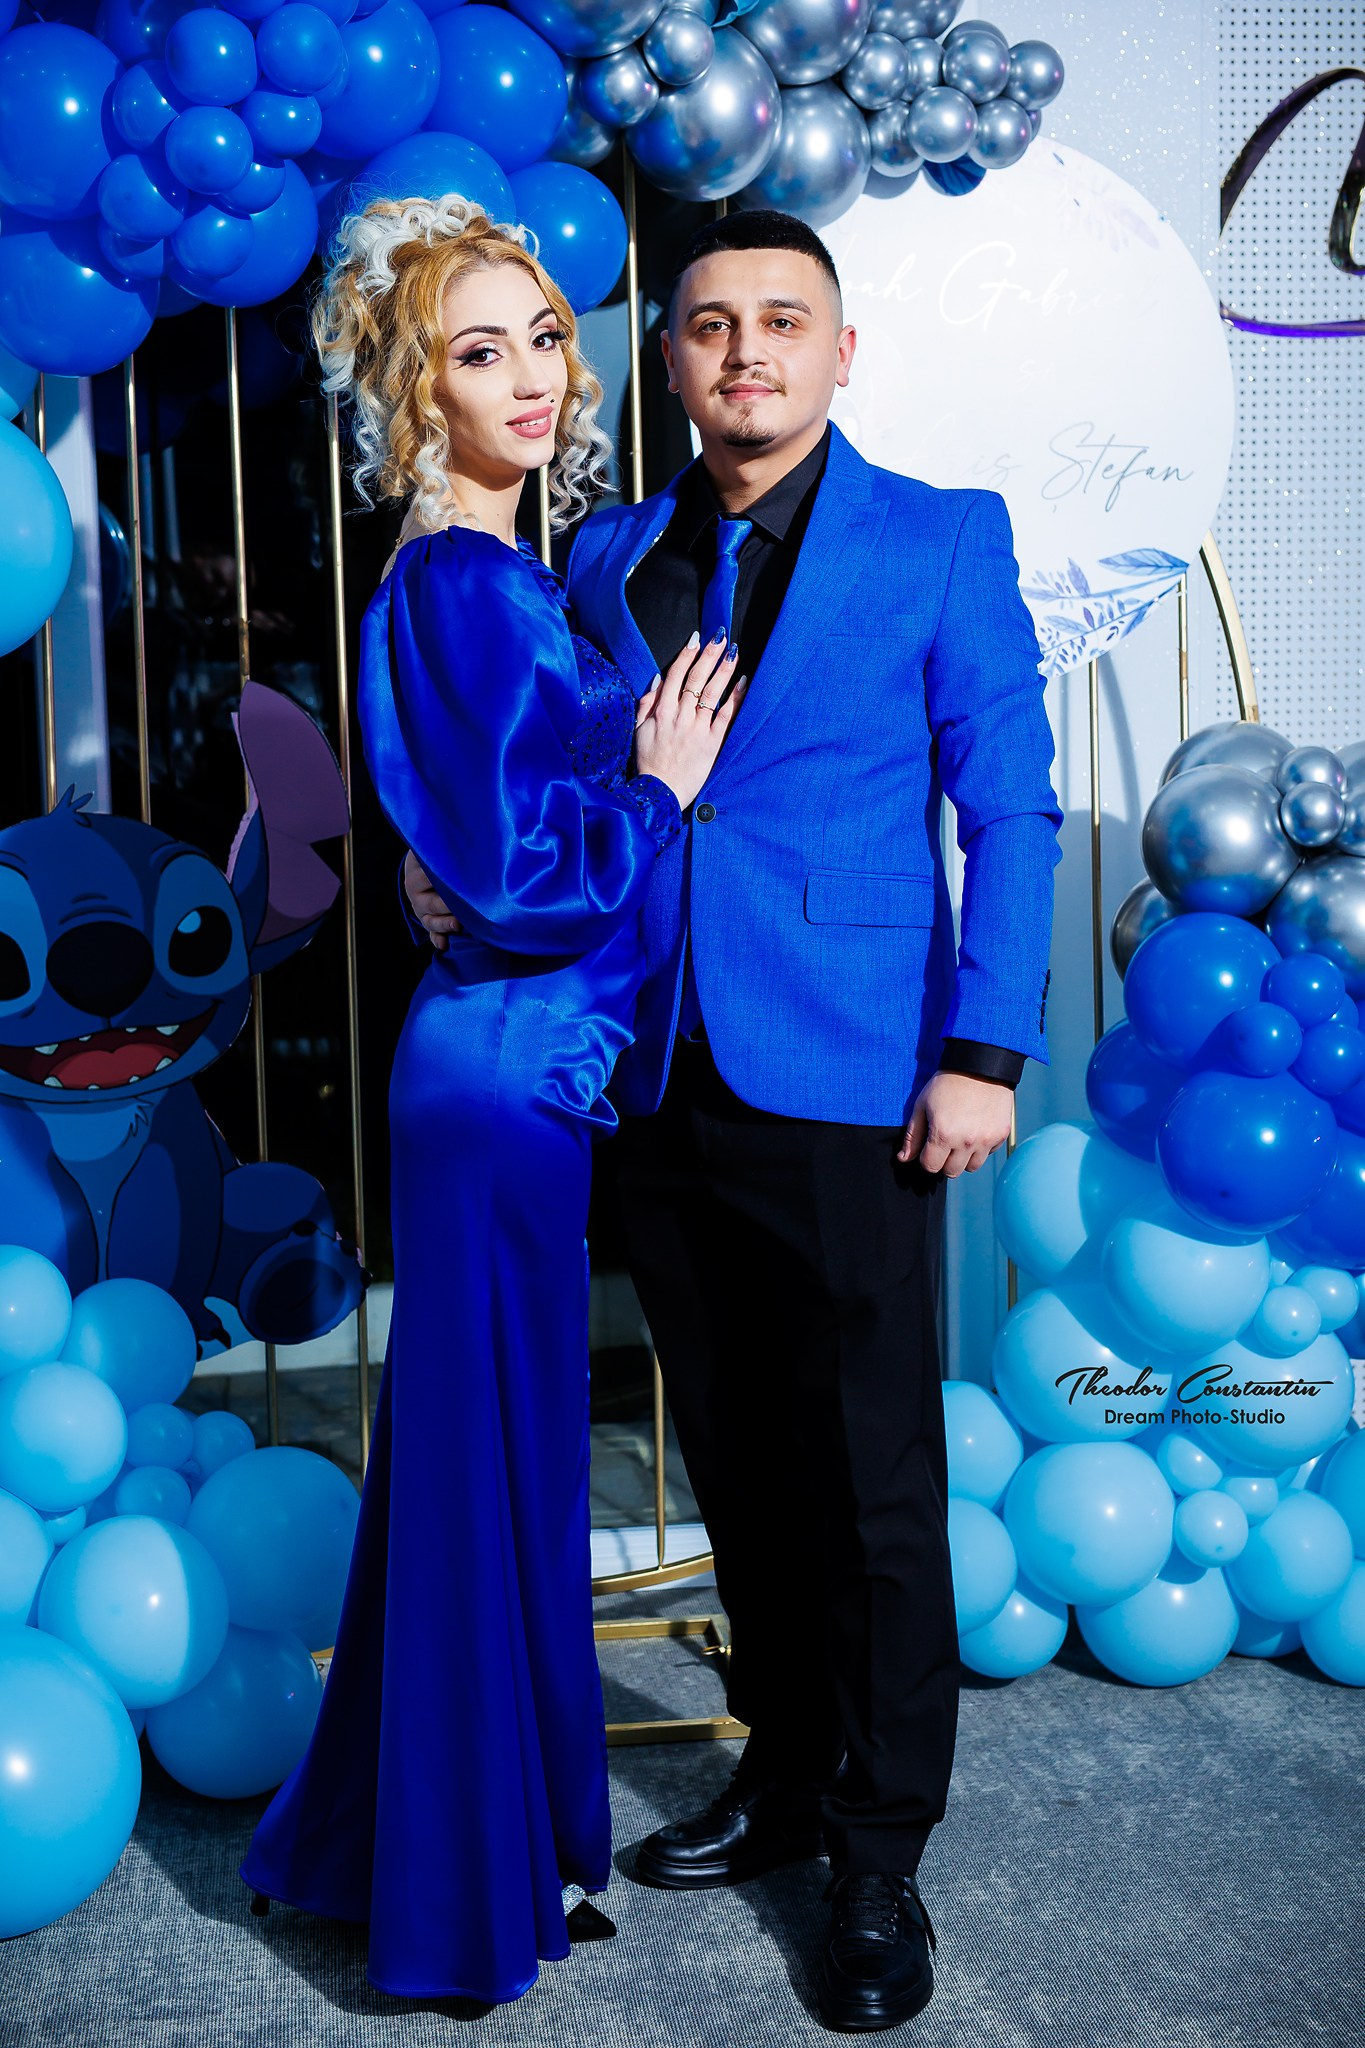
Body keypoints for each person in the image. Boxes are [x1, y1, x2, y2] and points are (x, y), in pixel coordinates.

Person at [405, 207, 1063, 2034]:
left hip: (853, 1073)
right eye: (708, 324)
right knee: (739, 1464)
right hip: (645, 1069)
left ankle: (876, 1853)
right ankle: (780, 1772)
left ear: (841, 352)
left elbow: (1010, 810)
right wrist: (435, 879)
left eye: (782, 319)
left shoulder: (939, 538)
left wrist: (983, 1052)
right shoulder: (605, 553)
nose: (745, 350)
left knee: (869, 1480)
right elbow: (530, 784)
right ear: (670, 361)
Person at [239, 194, 746, 2005]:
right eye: (479, 351)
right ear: (416, 393)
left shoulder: (487, 575)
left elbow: (466, 838)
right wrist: (659, 788)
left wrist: (430, 871)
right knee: (484, 1472)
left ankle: (455, 1843)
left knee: (490, 1464)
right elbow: (531, 874)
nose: (531, 376)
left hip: (510, 1063)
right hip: (503, 1075)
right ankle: (457, 1898)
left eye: (541, 336)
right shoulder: (464, 579)